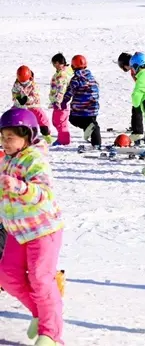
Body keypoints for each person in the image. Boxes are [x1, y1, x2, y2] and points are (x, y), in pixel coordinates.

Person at [0, 108, 64, 345]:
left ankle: (51, 334)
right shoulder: (6, 159)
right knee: (6, 276)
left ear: (27, 136)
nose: (5, 142)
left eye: (10, 137)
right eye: (2, 137)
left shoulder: (34, 159)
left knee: (40, 278)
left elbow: (45, 193)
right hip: (17, 231)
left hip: (43, 230)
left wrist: (19, 187)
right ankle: (42, 313)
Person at [60, 55, 101, 149]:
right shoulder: (92, 77)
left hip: (80, 109)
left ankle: (88, 127)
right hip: (93, 107)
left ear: (73, 67)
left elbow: (69, 91)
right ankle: (97, 144)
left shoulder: (76, 79)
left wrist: (64, 101)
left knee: (73, 119)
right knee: (93, 124)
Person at [12, 66, 53, 144]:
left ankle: (46, 132)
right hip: (20, 106)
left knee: (41, 116)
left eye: (25, 82)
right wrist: (18, 98)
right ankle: (7, 131)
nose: (23, 83)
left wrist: (27, 99)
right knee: (12, 114)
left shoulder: (33, 85)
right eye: (21, 82)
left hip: (32, 105)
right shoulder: (17, 84)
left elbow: (35, 97)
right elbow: (14, 93)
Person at [48, 54, 72, 146]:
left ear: (58, 63)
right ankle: (63, 138)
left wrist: (58, 101)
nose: (53, 65)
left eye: (54, 63)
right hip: (60, 102)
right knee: (58, 121)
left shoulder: (62, 74)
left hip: (61, 103)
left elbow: (62, 88)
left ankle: (63, 140)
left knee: (59, 121)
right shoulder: (61, 72)